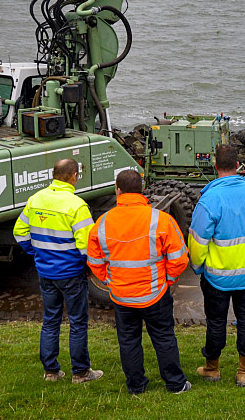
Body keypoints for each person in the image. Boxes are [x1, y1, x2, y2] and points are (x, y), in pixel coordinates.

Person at [86, 169, 191, 395]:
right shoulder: (161, 219)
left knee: (129, 341)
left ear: (118, 190)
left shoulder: (103, 222)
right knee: (164, 338)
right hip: (155, 293)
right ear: (142, 190)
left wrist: (109, 280)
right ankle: (175, 384)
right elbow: (180, 258)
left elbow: (94, 261)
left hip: (122, 295)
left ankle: (136, 386)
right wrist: (168, 279)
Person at [13, 158, 103, 384]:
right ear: (74, 176)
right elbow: (87, 246)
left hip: (45, 272)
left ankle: (51, 372)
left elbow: (19, 232)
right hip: (71, 274)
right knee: (77, 322)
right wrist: (90, 268)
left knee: (50, 320)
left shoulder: (35, 199)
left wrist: (37, 253)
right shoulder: (77, 206)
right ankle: (81, 373)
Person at [189, 144, 245, 387]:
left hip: (217, 275)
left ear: (215, 167)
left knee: (216, 321)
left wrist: (198, 267)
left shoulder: (210, 199)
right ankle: (243, 372)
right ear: (238, 166)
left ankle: (212, 368)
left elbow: (197, 241)